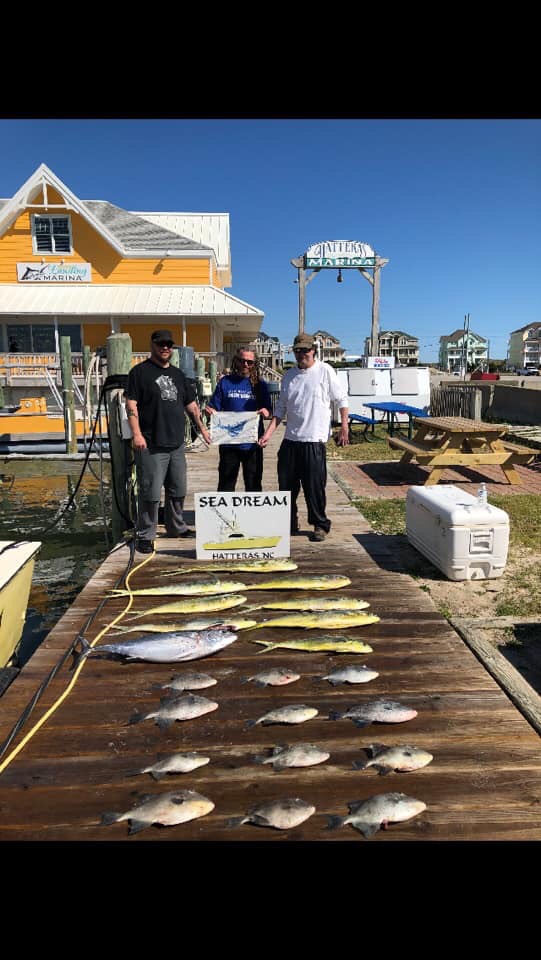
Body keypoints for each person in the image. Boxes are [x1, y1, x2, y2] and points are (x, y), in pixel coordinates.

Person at [125, 329, 210, 553]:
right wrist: (136, 434)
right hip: (151, 444)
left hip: (176, 444)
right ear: (152, 345)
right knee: (150, 492)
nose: (165, 348)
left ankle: (176, 526)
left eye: (169, 345)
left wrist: (202, 428)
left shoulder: (178, 374)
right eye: (161, 344)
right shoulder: (139, 373)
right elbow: (131, 405)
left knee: (178, 489)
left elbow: (191, 405)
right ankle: (145, 535)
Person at [259, 332, 349, 542]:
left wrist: (344, 427)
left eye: (305, 350)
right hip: (291, 440)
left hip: (314, 441)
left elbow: (341, 400)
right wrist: (268, 434)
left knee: (314, 487)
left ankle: (319, 524)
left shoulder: (325, 371)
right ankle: (289, 520)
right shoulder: (289, 375)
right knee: (286, 486)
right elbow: (280, 409)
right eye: (297, 350)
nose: (302, 354)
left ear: (313, 350)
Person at [206, 348, 271, 491]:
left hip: (252, 443)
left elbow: (268, 410)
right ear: (236, 361)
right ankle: (224, 514)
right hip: (229, 443)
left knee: (253, 484)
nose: (245, 364)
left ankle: (253, 514)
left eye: (249, 362)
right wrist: (210, 411)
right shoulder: (225, 382)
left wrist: (266, 412)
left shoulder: (260, 385)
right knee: (226, 484)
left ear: (255, 364)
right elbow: (214, 407)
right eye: (242, 361)